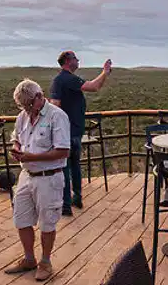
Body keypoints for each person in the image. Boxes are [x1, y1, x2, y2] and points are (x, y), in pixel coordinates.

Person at [3, 79, 72, 281]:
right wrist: (16, 149)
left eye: (29, 105)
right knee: (21, 219)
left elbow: (63, 151)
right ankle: (29, 259)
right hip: (26, 176)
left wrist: (32, 157)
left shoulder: (57, 116)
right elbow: (16, 138)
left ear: (39, 96)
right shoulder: (22, 116)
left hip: (48, 178)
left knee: (47, 223)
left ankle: (45, 262)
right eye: (22, 106)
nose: (26, 110)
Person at [49, 50, 112, 216]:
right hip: (69, 132)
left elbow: (54, 105)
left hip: (70, 132)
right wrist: (105, 72)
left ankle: (72, 201)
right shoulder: (67, 78)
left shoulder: (59, 80)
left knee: (69, 166)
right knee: (69, 166)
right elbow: (94, 86)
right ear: (68, 61)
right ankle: (69, 203)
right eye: (75, 58)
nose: (78, 61)